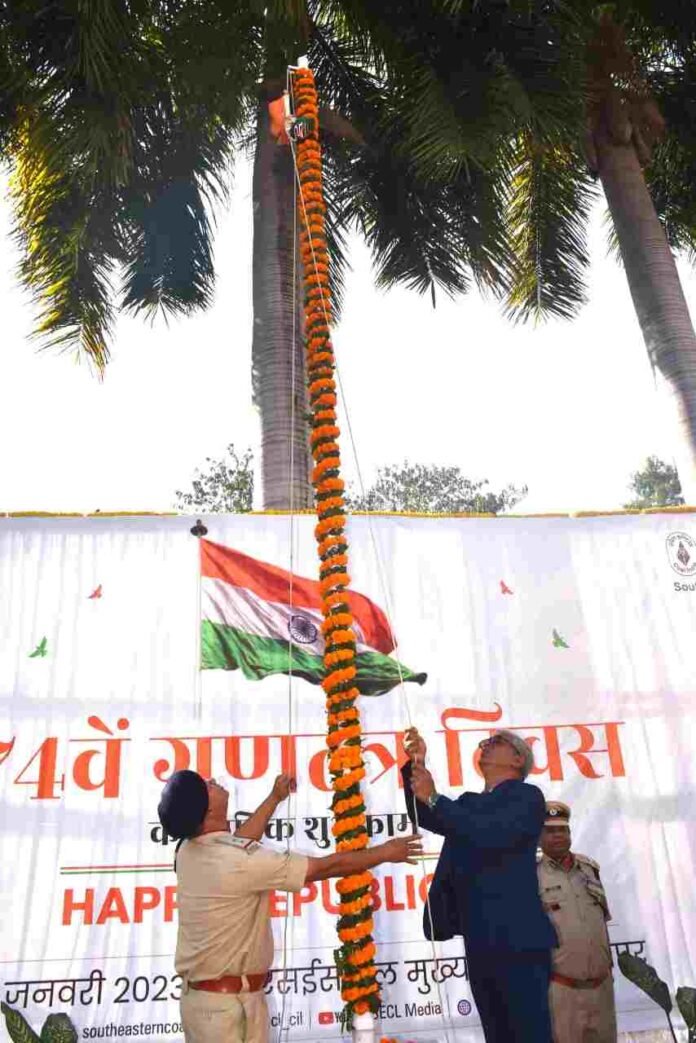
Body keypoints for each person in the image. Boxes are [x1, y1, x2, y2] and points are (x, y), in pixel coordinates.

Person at [157, 769, 422, 1043]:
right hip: (226, 1011)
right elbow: (324, 867)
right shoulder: (238, 861)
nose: (213, 781)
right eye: (207, 786)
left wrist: (274, 798)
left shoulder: (188, 850)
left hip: (210, 1005)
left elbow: (239, 843)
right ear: (208, 810)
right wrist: (387, 852)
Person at [402, 726, 557, 1043]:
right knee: (497, 1034)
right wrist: (416, 762)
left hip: (518, 939)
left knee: (529, 1034)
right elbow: (427, 814)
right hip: (480, 939)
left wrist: (434, 797)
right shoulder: (469, 802)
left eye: (495, 742)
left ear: (517, 759)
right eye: (485, 742)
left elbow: (489, 832)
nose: (484, 746)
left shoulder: (526, 796)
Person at [538, 801, 617, 1042]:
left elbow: (601, 922)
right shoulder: (531, 876)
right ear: (538, 837)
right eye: (550, 831)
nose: (558, 835)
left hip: (602, 988)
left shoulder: (590, 870)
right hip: (562, 991)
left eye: (563, 829)